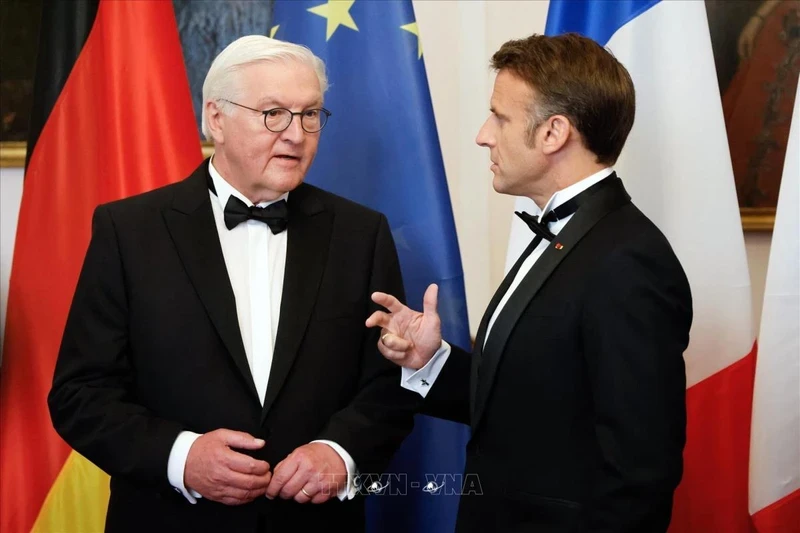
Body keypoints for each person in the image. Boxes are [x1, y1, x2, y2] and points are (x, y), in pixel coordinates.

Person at [48, 35, 420, 532]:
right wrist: (181, 457)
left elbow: (391, 384)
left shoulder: (361, 233)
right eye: (273, 113)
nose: (296, 134)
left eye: (310, 114)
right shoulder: (129, 230)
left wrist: (340, 453)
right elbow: (81, 394)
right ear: (215, 119)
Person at [367, 33, 693, 533]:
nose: (483, 135)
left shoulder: (627, 260)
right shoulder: (564, 232)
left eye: (500, 117)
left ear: (553, 133)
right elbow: (529, 407)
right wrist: (430, 361)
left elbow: (639, 475)